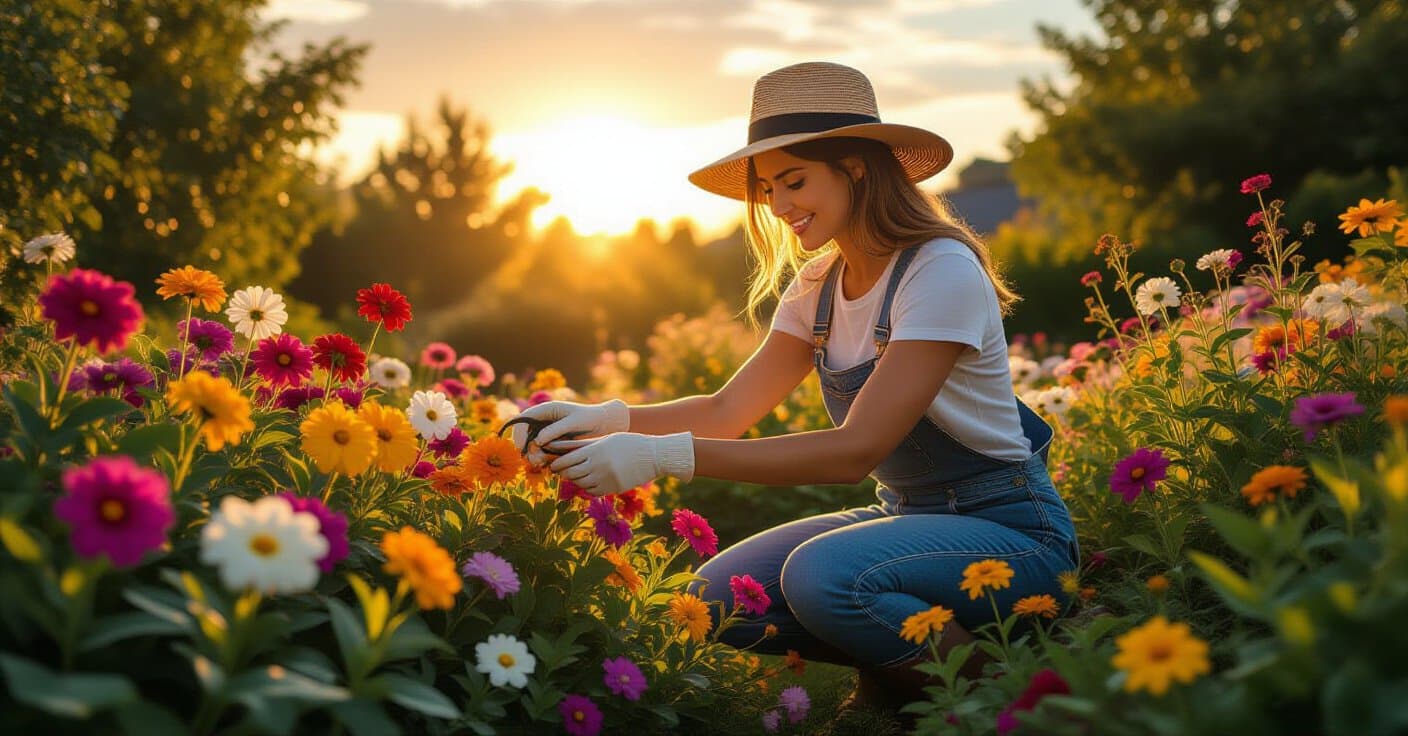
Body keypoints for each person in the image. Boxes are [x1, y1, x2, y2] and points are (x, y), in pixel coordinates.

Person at [511, 61, 1079, 720]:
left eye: (795, 181)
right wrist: (608, 418)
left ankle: (1001, 701)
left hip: (1011, 533)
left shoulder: (939, 271)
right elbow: (727, 410)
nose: (778, 207)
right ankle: (899, 677)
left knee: (820, 576)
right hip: (907, 519)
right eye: (768, 189)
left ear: (855, 168)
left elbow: (854, 452)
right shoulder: (818, 285)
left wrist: (662, 456)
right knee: (714, 600)